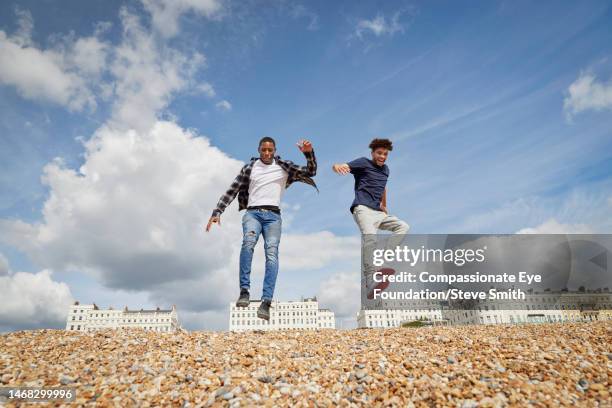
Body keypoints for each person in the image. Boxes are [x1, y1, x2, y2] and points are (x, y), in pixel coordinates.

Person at [206, 137, 317, 320]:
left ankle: (266, 302)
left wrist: (308, 153)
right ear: (259, 150)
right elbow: (232, 190)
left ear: (274, 150)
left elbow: (311, 171)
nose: (267, 153)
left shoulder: (284, 167)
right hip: (253, 214)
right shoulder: (250, 168)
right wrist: (217, 211)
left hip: (273, 217)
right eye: (263, 150)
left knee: (271, 254)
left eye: (270, 150)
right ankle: (244, 291)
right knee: (248, 244)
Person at [332, 138, 409, 300]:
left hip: (378, 212)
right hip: (363, 209)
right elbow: (341, 166)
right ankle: (370, 279)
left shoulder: (386, 170)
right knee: (370, 239)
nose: (382, 156)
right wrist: (337, 167)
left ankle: (384, 261)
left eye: (385, 154)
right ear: (372, 153)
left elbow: (383, 186)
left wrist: (384, 205)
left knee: (403, 227)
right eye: (379, 153)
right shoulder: (363, 163)